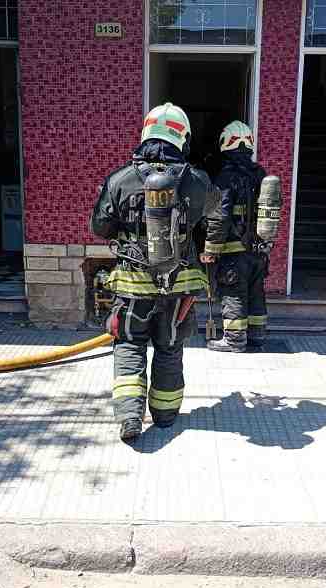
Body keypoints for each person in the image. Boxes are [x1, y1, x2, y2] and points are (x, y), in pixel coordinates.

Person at [91, 103, 219, 442]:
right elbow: (214, 220)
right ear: (183, 137)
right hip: (181, 287)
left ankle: (130, 416)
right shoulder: (198, 181)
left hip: (133, 285)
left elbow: (100, 227)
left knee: (130, 345)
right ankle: (164, 416)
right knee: (169, 347)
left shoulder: (120, 179)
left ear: (146, 134)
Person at [202, 120, 268, 353]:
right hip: (259, 252)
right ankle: (257, 337)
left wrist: (210, 250)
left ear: (224, 145)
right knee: (256, 293)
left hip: (233, 252)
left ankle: (234, 340)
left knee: (234, 293)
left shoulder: (222, 178)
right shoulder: (261, 174)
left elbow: (216, 217)